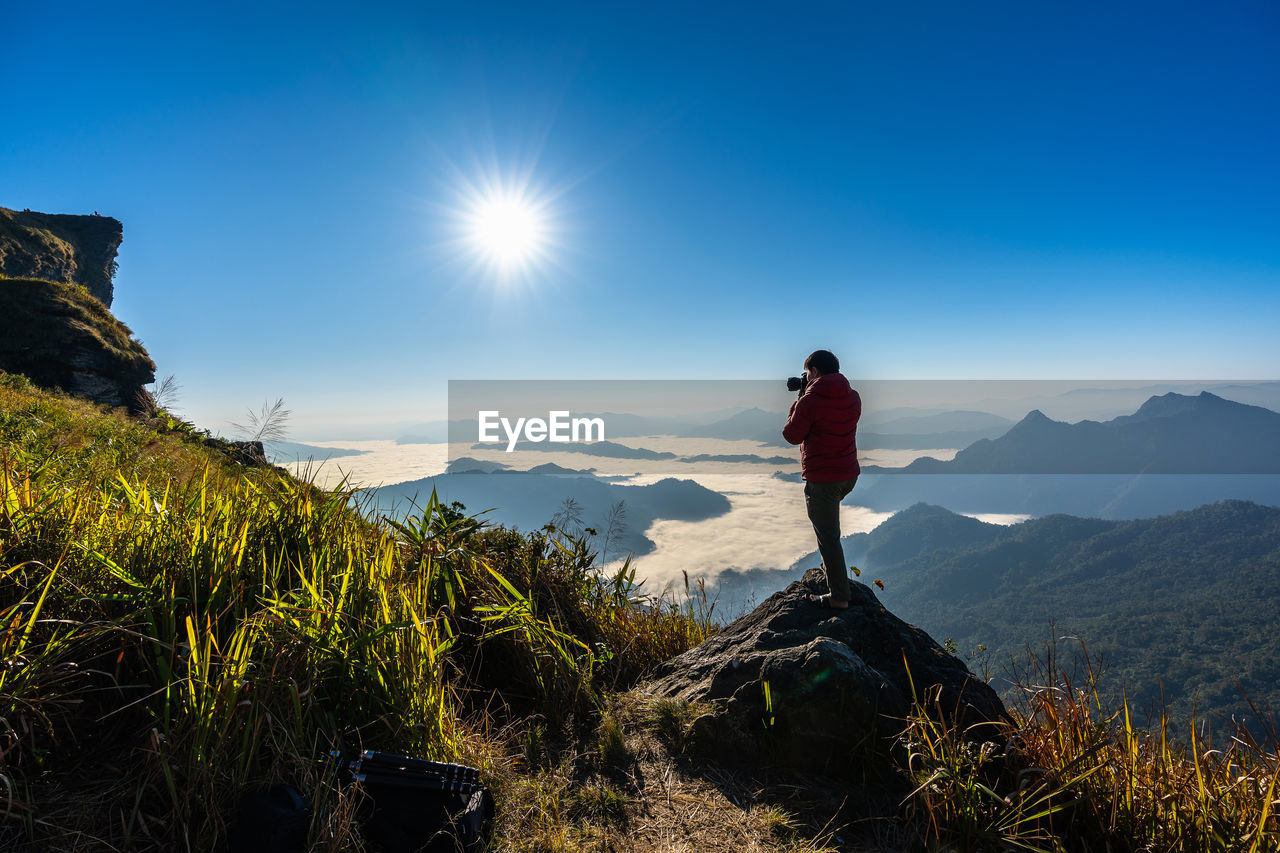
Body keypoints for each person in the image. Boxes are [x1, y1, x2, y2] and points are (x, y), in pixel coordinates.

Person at [782, 349, 861, 609]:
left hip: (824, 479)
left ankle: (839, 597)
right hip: (848, 475)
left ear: (814, 372)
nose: (804, 378)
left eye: (806, 374)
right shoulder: (853, 397)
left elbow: (792, 435)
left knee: (828, 537)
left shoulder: (809, 401)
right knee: (828, 531)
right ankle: (832, 572)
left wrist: (799, 400)